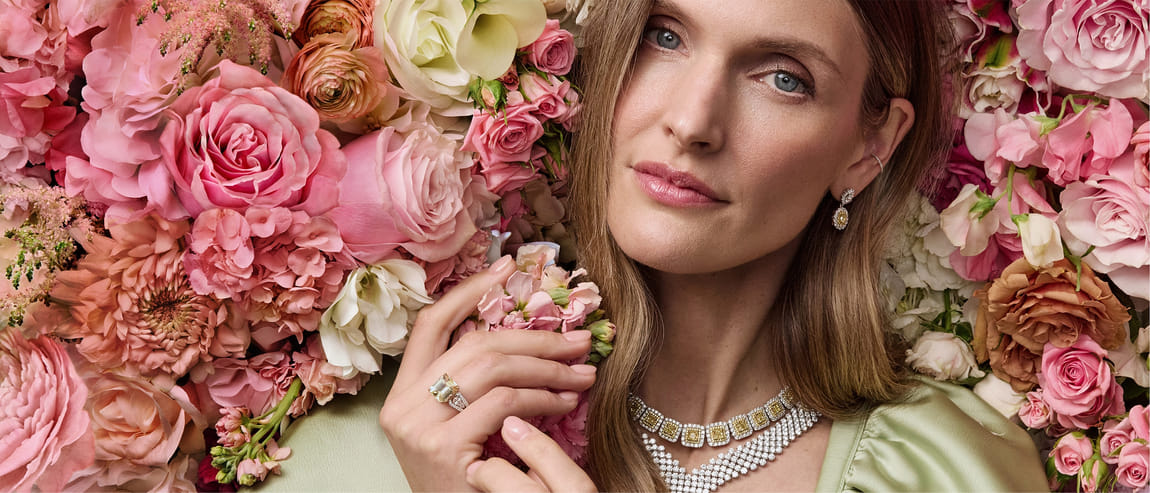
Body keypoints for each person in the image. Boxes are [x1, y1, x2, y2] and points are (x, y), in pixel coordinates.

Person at [267, 0, 1050, 491]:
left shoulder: (948, 471)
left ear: (869, 143)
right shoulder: (368, 450)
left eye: (782, 78)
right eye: (664, 35)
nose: (692, 120)